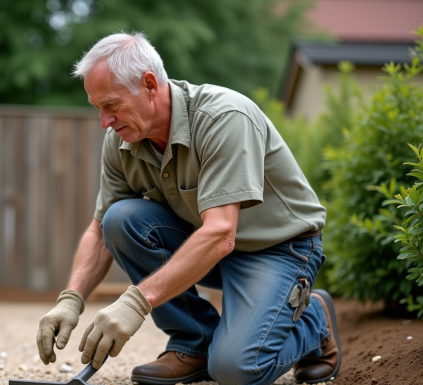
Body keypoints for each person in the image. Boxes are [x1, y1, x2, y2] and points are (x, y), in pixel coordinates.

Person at [35, 32, 340, 385]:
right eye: (97, 108)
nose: (105, 120)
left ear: (149, 84)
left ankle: (315, 320)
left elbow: (221, 232)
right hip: (211, 249)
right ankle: (193, 342)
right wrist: (70, 299)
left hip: (280, 251)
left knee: (235, 370)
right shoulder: (121, 141)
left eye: (111, 105)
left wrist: (136, 303)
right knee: (120, 220)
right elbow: (101, 229)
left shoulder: (223, 117)